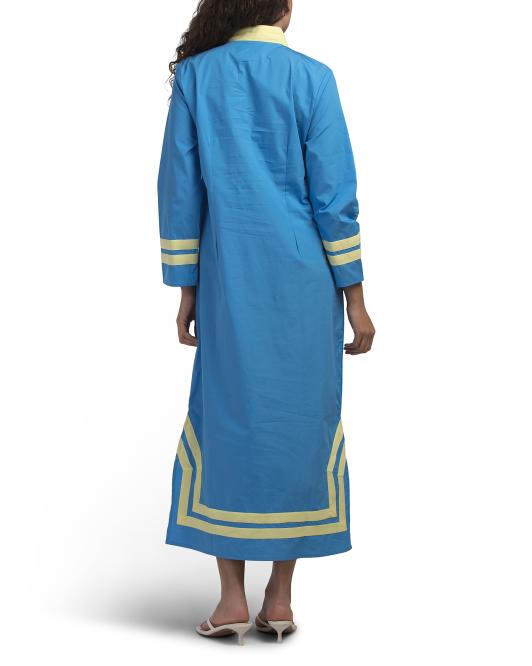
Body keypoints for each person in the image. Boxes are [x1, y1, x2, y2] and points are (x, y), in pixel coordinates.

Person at [157, 0, 376, 645]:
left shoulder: (196, 77)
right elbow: (335, 197)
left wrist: (187, 287)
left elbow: (179, 190)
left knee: (227, 421)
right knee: (297, 425)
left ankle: (231, 599)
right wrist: (356, 299)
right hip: (306, 285)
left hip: (228, 281)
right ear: (281, 8)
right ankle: (278, 599)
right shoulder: (313, 78)